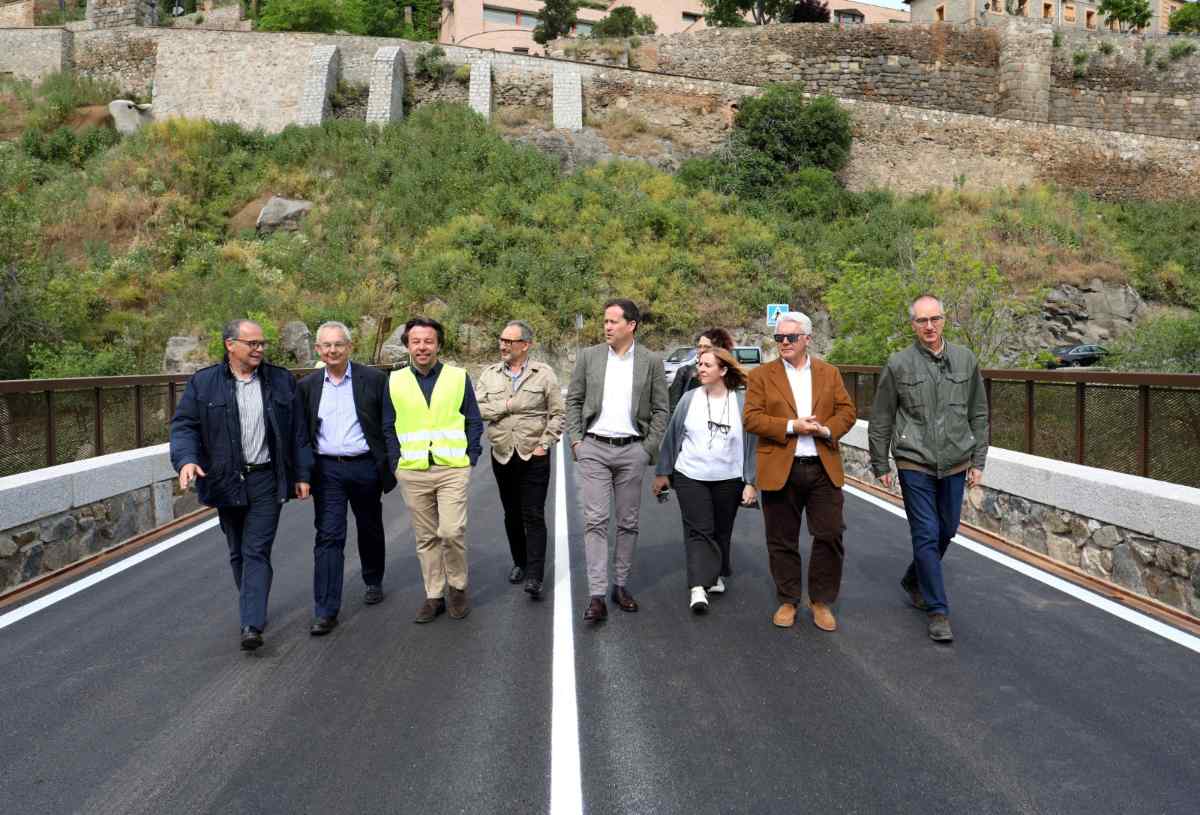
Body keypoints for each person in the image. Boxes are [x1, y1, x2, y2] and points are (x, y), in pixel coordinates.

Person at [170, 319, 298, 651]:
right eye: (252, 344)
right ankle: (252, 605)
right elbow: (185, 426)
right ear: (230, 345)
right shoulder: (204, 383)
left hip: (266, 479)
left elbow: (298, 433)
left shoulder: (280, 380)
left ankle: (251, 623)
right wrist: (186, 460)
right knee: (237, 551)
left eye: (262, 344)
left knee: (256, 549)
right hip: (226, 480)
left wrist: (302, 475)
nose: (259, 349)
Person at [868, 294, 989, 644]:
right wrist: (881, 462)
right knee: (924, 531)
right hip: (914, 459)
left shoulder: (965, 361)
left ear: (944, 320)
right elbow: (882, 417)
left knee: (946, 529)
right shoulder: (899, 364)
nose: (929, 326)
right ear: (913, 325)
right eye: (922, 321)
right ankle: (938, 610)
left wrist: (978, 460)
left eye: (934, 319)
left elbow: (978, 413)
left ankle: (914, 578)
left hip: (955, 460)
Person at [743, 311, 857, 632]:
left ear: (807, 338)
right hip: (781, 465)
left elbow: (847, 412)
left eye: (790, 337)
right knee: (781, 538)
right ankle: (789, 598)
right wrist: (792, 426)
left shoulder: (829, 373)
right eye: (779, 338)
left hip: (822, 466)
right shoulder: (761, 376)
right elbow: (751, 419)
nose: (783, 343)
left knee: (830, 534)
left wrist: (824, 430)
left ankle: (820, 601)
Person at [293, 321, 400, 637]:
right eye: (325, 346)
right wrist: (302, 474)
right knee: (328, 536)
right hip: (327, 471)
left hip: (364, 466)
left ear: (349, 347)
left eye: (338, 344)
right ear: (317, 350)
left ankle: (373, 578)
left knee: (369, 526)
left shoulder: (374, 380)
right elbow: (301, 434)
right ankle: (325, 610)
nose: (332, 350)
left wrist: (393, 463)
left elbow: (387, 425)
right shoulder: (308, 386)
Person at [565, 299, 669, 623]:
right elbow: (574, 400)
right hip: (594, 448)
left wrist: (646, 448)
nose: (607, 326)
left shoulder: (651, 361)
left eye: (613, 321)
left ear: (631, 325)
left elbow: (661, 410)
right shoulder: (589, 357)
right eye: (605, 321)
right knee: (595, 520)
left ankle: (620, 585)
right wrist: (577, 441)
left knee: (628, 522)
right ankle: (596, 595)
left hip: (631, 451)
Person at [389, 316, 484, 623]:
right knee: (426, 537)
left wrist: (472, 455)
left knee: (452, 530)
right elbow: (386, 425)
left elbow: (472, 418)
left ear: (438, 344)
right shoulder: (394, 380)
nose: (422, 347)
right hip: (413, 469)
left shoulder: (458, 377)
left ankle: (457, 586)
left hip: (452, 467)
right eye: (415, 341)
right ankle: (434, 594)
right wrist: (395, 463)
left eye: (428, 341)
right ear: (407, 345)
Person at [653, 347, 758, 614]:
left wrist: (751, 482)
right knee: (699, 528)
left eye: (707, 365)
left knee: (722, 530)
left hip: (729, 478)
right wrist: (663, 473)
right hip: (691, 475)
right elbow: (671, 437)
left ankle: (715, 574)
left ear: (723, 371)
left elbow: (752, 445)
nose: (700, 368)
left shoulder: (741, 402)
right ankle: (698, 586)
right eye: (699, 364)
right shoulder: (689, 399)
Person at [475, 320, 565, 599]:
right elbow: (477, 407)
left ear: (525, 345)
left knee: (533, 514)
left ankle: (535, 576)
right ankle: (520, 562)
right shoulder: (489, 375)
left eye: (509, 341)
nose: (502, 345)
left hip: (533, 454)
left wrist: (545, 444)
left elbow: (558, 413)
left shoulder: (544, 374)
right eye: (501, 340)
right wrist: (505, 406)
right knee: (511, 514)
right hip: (502, 453)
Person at [668, 327, 735, 414]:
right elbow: (673, 409)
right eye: (699, 347)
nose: (701, 350)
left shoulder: (731, 375)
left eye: (707, 347)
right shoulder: (685, 372)